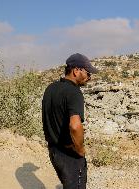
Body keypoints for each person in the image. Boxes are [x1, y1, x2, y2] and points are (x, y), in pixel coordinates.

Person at [42, 53, 98, 189]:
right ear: (76, 70)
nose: (89, 78)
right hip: (69, 155)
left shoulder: (51, 88)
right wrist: (80, 149)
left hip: (54, 151)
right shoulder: (74, 92)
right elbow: (75, 126)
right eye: (88, 73)